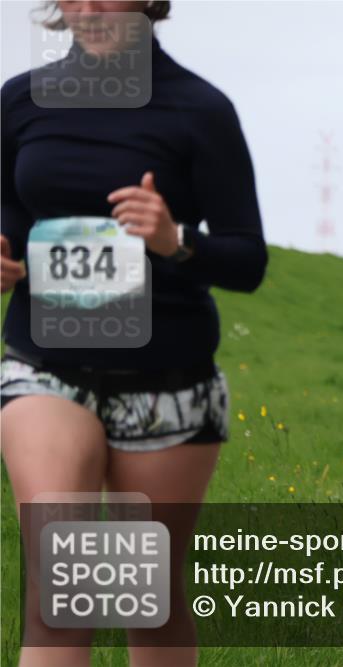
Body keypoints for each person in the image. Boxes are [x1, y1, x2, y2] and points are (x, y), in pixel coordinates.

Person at [1, 2, 267, 665]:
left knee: (143, 598)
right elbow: (8, 210)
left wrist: (176, 241)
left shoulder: (200, 109)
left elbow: (247, 259)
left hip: (168, 383)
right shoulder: (20, 102)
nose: (87, 7)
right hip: (46, 367)